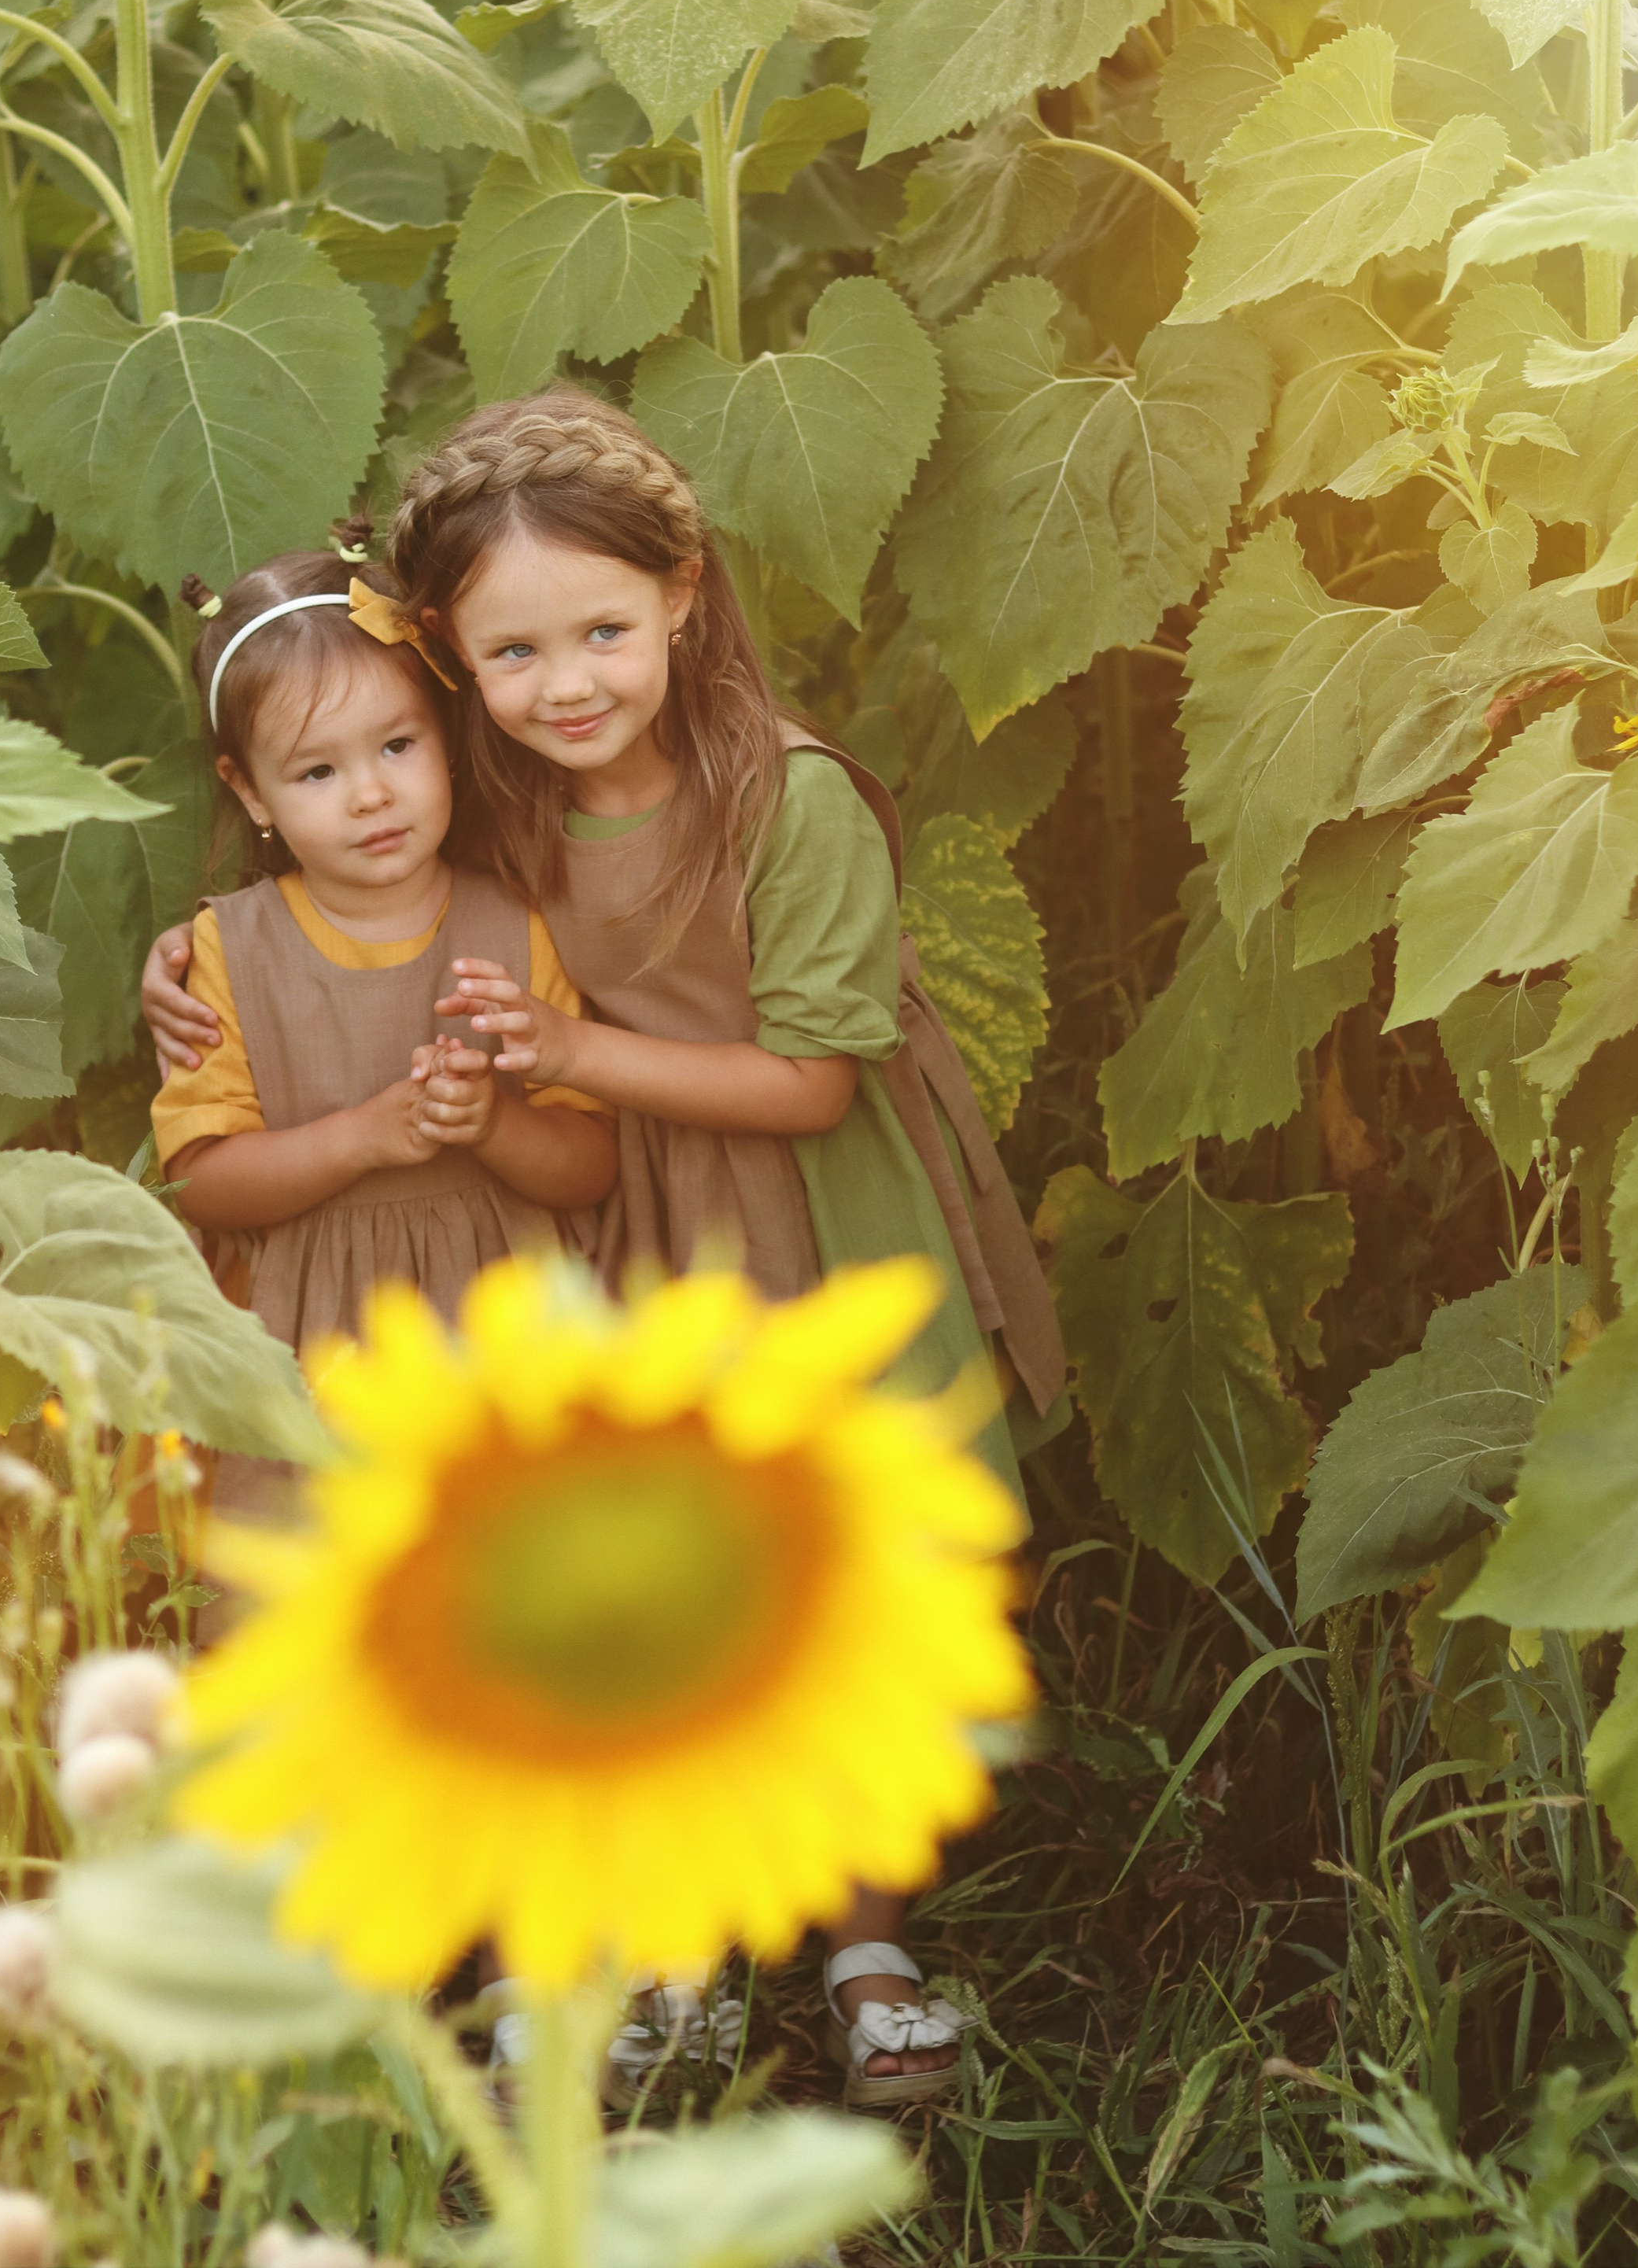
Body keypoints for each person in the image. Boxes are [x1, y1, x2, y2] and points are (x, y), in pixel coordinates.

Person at [142, 400, 1068, 2107]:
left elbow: (808, 1078)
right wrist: (195, 965)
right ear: (453, 664)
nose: (564, 681)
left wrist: (562, 1062)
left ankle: (866, 1936)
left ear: (683, 594)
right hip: (606, 1227)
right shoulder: (491, 794)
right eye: (509, 650)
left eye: (600, 632)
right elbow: (361, 899)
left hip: (802, 1221)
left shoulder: (787, 801)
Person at [150, 543, 616, 1360]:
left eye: (397, 746)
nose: (370, 795)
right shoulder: (230, 949)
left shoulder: (519, 921)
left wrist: (492, 1123)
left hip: (511, 1331)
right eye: (318, 771)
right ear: (250, 789)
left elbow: (591, 1167)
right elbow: (202, 1184)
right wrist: (361, 1137)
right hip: (317, 1334)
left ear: (445, 740)